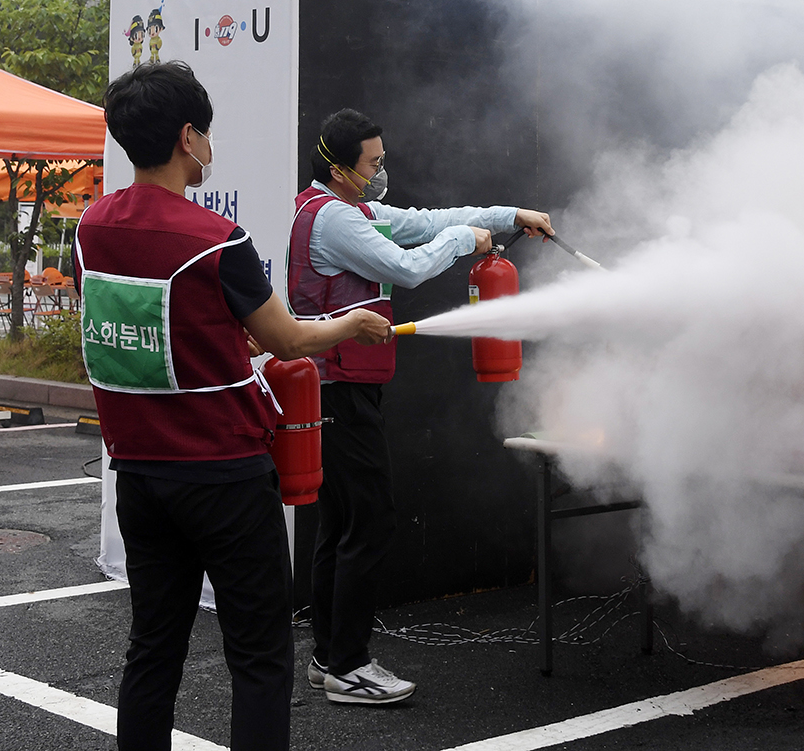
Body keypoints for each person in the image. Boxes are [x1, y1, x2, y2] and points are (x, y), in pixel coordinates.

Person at [78, 63, 391, 751]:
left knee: (153, 648)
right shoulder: (218, 239)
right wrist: (353, 322)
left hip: (138, 476)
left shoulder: (92, 227)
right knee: (257, 655)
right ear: (190, 137)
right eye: (208, 133)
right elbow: (286, 338)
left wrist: (226, 336)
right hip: (224, 477)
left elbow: (154, 331)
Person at [286, 108, 552, 704]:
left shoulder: (345, 210)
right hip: (339, 389)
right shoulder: (333, 221)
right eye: (373, 162)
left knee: (343, 522)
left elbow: (426, 221)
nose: (381, 171)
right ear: (339, 167)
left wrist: (509, 216)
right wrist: (465, 243)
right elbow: (406, 266)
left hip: (339, 386)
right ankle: (348, 666)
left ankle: (330, 655)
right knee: (370, 518)